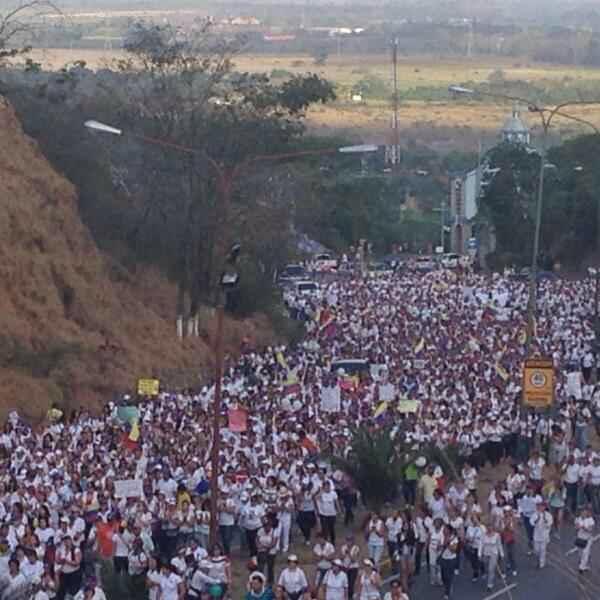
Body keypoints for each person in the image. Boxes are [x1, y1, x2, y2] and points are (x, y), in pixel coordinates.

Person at [478, 523, 504, 592]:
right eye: (488, 527)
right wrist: (479, 554)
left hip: (494, 554)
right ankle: (491, 574)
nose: (489, 529)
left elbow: (499, 545)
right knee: (487, 567)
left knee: (491, 569)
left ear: (493, 528)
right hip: (486, 553)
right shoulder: (483, 535)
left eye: (490, 527)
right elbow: (481, 544)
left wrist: (502, 554)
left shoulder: (497, 535)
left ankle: (490, 584)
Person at [314, 481, 340, 545]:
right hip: (323, 514)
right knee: (324, 528)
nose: (327, 488)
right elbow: (315, 498)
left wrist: (338, 509)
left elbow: (336, 502)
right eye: (325, 487)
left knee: (331, 528)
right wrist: (321, 492)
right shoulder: (321, 494)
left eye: (328, 486)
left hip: (332, 514)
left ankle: (333, 541)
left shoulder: (333, 493)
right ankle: (325, 541)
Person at [439, 524, 459, 600]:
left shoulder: (454, 538)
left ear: (449, 530)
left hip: (451, 559)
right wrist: (440, 546)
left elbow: (453, 550)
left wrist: (448, 543)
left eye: (445, 529)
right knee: (443, 576)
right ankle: (447, 586)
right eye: (443, 529)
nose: (444, 530)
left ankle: (447, 592)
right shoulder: (442, 537)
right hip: (443, 558)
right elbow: (440, 546)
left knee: (448, 576)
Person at [530, 503, 553, 569]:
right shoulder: (535, 514)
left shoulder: (548, 515)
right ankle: (538, 559)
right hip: (536, 535)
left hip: (544, 535)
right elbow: (531, 522)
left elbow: (550, 523)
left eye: (542, 506)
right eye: (540, 506)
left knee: (543, 550)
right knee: (536, 550)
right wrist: (537, 519)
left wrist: (545, 520)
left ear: (545, 507)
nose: (541, 508)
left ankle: (541, 563)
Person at [574, 506, 595, 573]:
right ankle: (584, 565)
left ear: (587, 512)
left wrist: (583, 527)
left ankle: (581, 567)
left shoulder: (591, 520)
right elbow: (576, 528)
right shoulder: (577, 519)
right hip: (580, 539)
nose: (583, 513)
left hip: (588, 539)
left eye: (585, 512)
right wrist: (577, 527)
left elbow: (590, 529)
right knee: (580, 554)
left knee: (585, 553)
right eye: (582, 512)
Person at [340, 534, 360, 600]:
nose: (348, 542)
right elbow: (341, 558)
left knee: (351, 583)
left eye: (350, 540)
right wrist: (344, 555)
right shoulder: (343, 547)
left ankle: (350, 597)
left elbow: (354, 560)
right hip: (345, 567)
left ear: (353, 541)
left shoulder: (356, 548)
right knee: (345, 583)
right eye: (347, 540)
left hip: (353, 568)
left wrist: (348, 553)